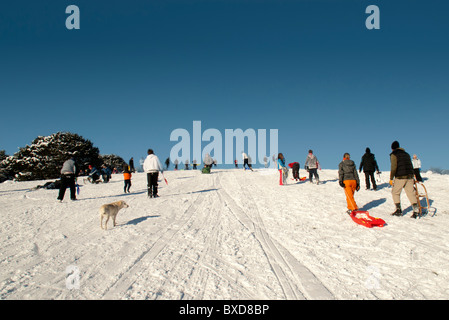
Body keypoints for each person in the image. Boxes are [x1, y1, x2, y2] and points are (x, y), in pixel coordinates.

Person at [389, 141, 420, 218]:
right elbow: (410, 165)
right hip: (409, 176)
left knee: (395, 192)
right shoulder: (407, 154)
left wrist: (391, 178)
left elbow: (393, 167)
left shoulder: (394, 155)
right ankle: (416, 211)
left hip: (400, 176)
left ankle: (398, 210)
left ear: (392, 148)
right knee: (411, 193)